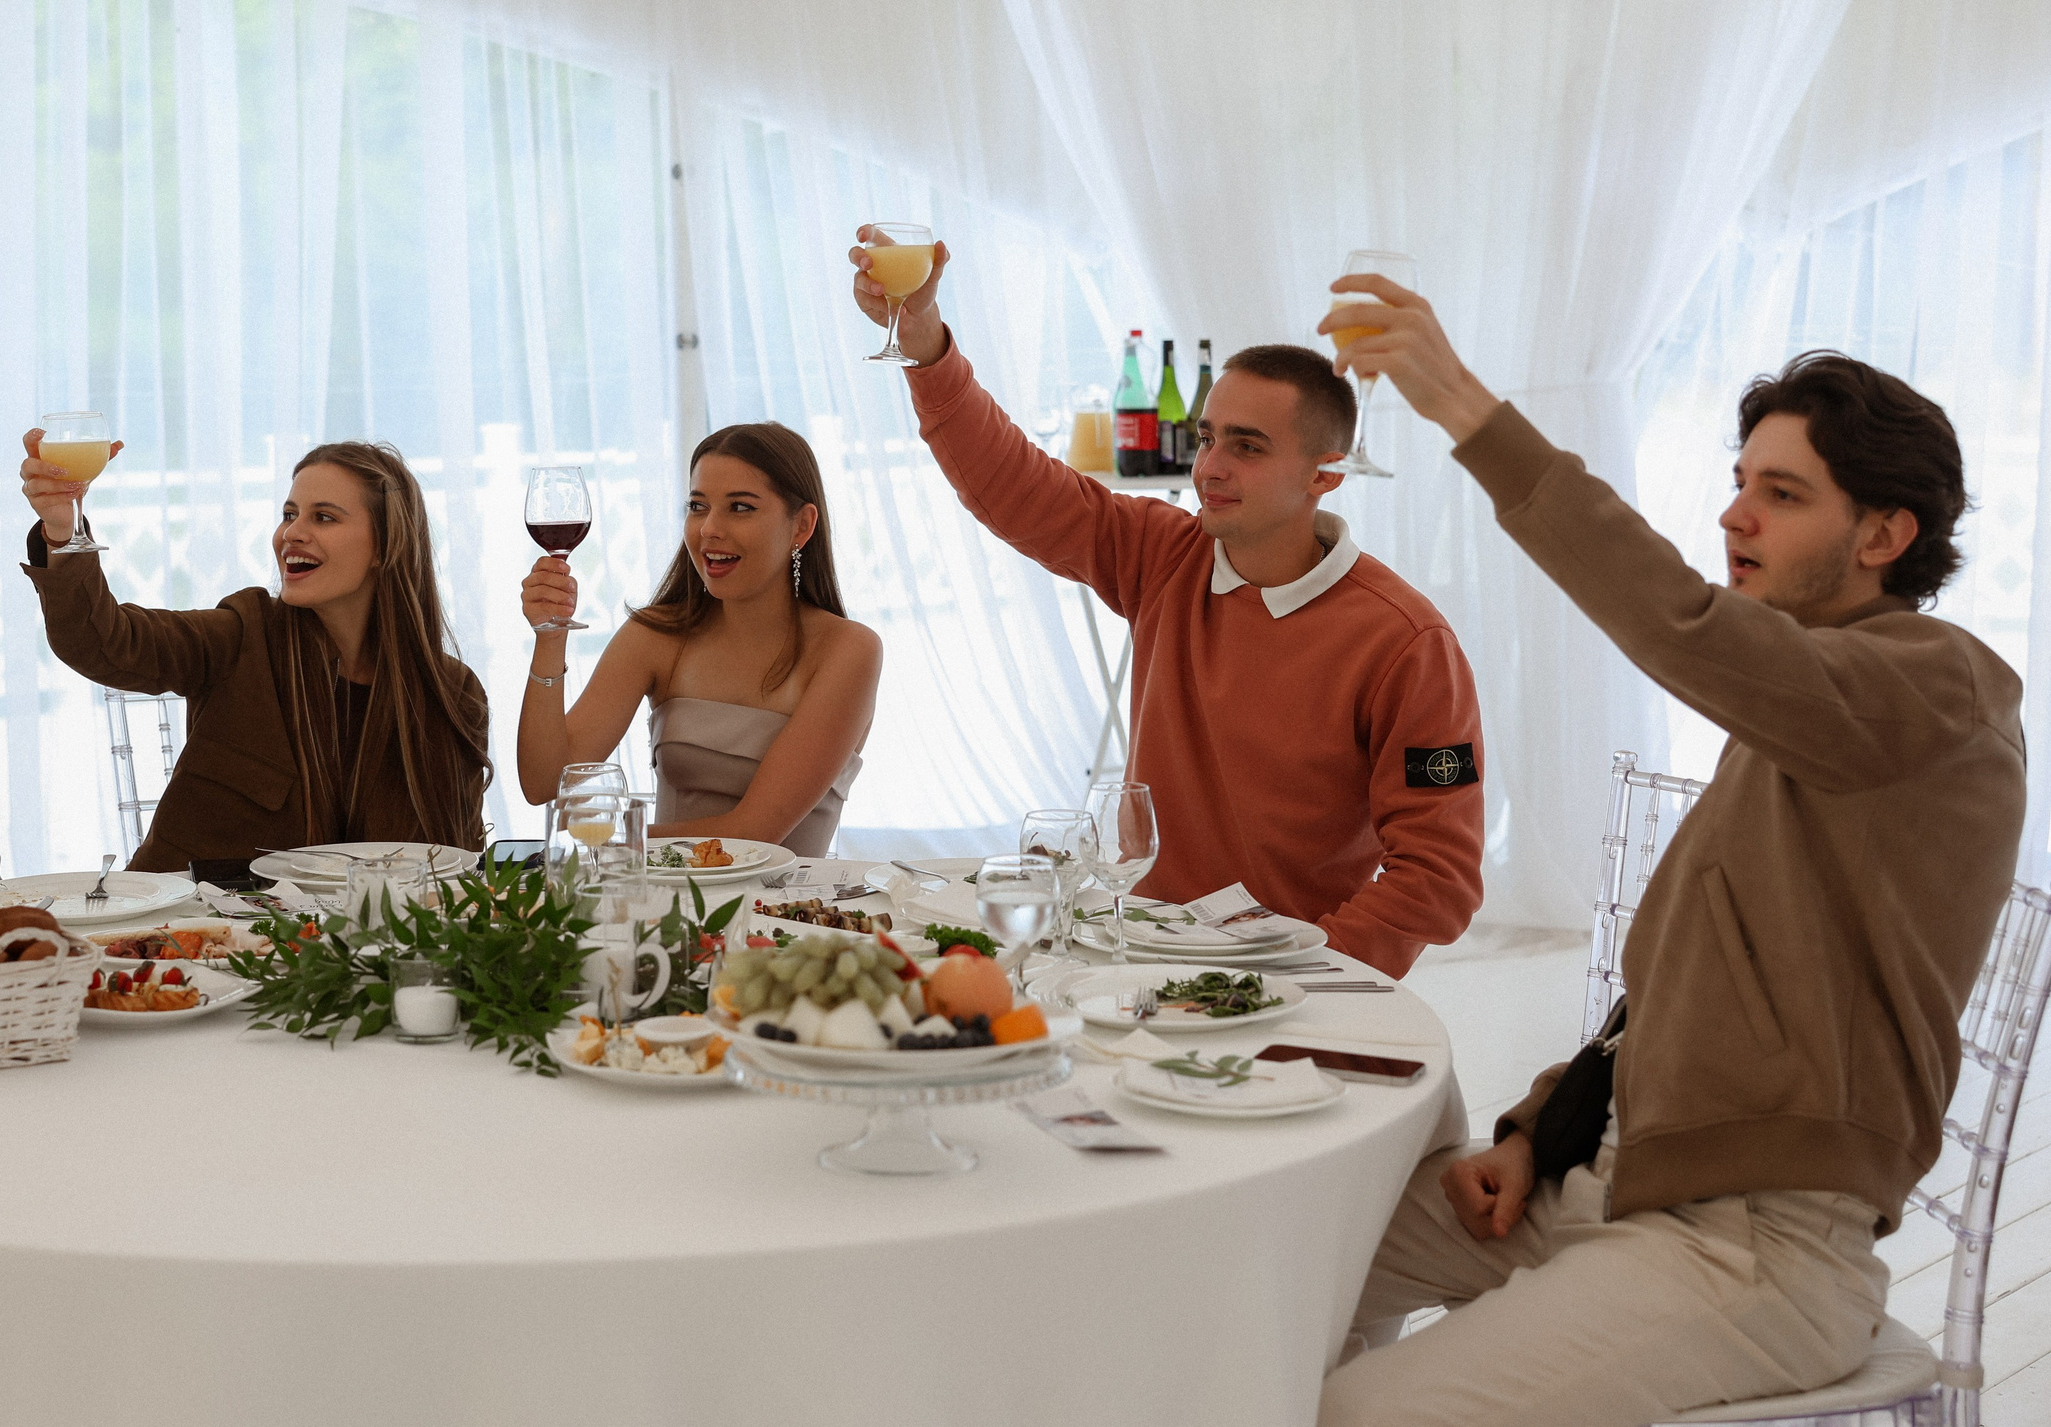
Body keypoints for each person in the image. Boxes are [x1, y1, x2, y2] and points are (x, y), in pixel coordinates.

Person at [1314, 278, 2024, 1427]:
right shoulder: (1805, 706)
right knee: (1268, 1257)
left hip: (1758, 1252)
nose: (1735, 516)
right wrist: (1539, 1133)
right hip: (1610, 1183)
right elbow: (1680, 990)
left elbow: (1679, 624)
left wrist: (1462, 408)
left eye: (1781, 494)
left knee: (1365, 1415)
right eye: (1739, 484)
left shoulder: (1937, 692)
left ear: (1882, 535)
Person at [849, 233, 1483, 977]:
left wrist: (1304, 976)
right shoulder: (1163, 555)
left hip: (1296, 981)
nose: (1209, 466)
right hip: (1142, 960)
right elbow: (1013, 483)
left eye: (1247, 447)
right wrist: (926, 346)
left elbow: (1438, 876)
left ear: (1326, 475)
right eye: (1208, 438)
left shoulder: (1406, 642)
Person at [19, 433, 489, 867]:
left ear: (385, 547)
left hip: (370, 931)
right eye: (289, 514)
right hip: (200, 921)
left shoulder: (452, 693)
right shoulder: (242, 635)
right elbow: (104, 643)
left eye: (323, 517)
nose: (291, 533)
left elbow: (460, 865)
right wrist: (63, 529)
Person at [515, 423, 878, 858]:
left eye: (740, 507)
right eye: (697, 506)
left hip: (785, 900)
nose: (709, 529)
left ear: (802, 525)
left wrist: (602, 842)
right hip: (659, 898)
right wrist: (549, 636)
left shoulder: (848, 650)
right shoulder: (656, 636)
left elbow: (754, 832)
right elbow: (544, 784)